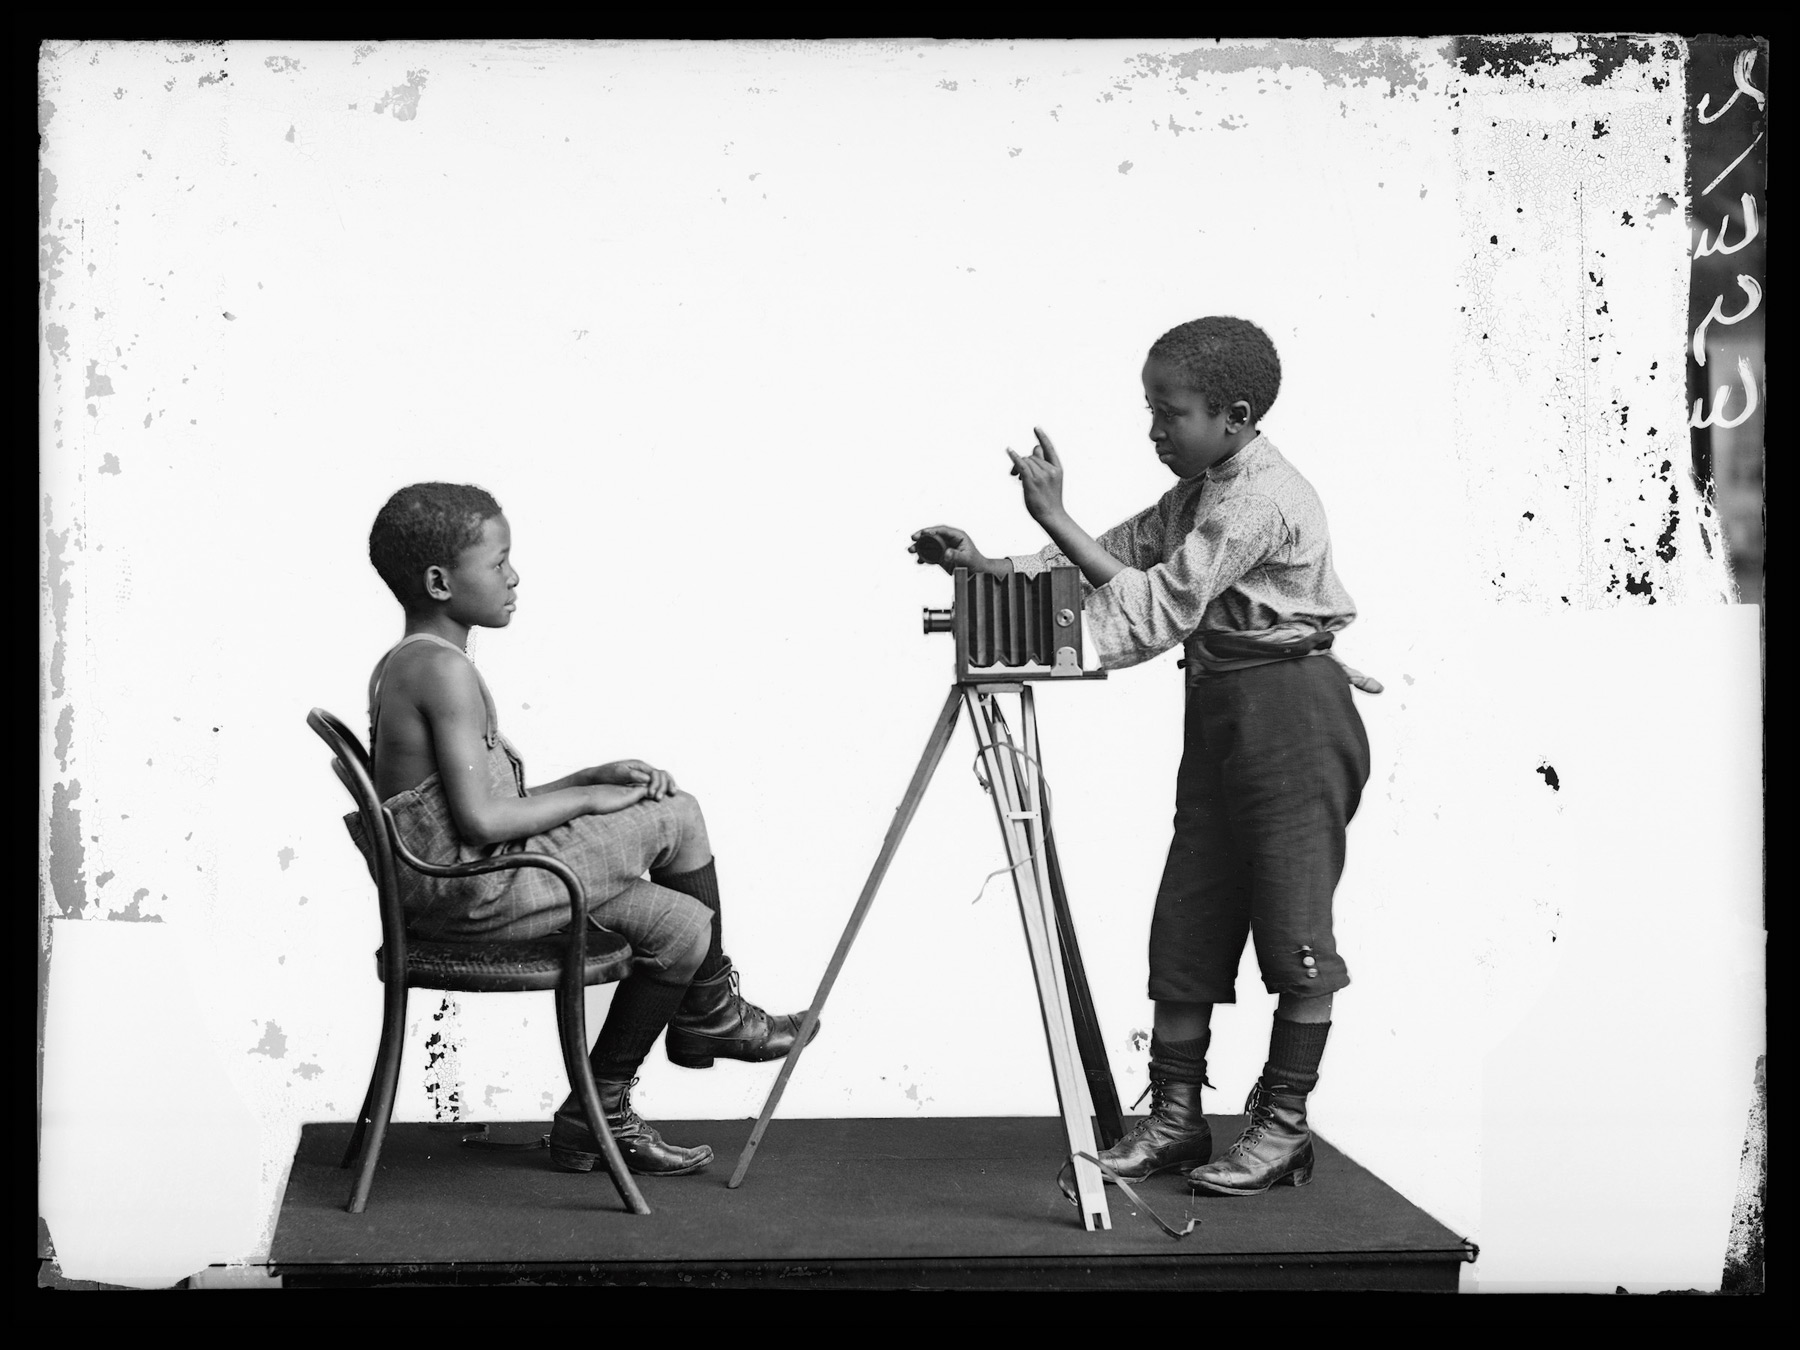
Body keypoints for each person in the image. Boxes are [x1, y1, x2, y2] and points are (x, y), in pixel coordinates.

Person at [909, 316, 1377, 1198]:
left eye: (1171, 413)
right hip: (1223, 712)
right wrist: (982, 568)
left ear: (1234, 415)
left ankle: (1283, 1128)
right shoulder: (1202, 488)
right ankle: (1175, 1122)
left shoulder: (1255, 500)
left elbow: (1154, 609)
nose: (1155, 430)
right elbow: (1106, 558)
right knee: (1190, 915)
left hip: (1294, 720)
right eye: (1151, 411)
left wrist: (1051, 511)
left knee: (1292, 929)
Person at [350, 482, 814, 1178]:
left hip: (482, 879)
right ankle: (713, 1011)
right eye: (499, 561)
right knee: (677, 813)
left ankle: (594, 1118)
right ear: (441, 581)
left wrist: (584, 777)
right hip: (480, 893)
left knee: (683, 927)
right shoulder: (443, 672)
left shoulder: (412, 660)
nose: (513, 577)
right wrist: (595, 797)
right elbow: (482, 821)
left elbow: (470, 807)